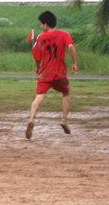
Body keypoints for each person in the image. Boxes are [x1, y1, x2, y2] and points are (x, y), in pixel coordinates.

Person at [26, 10, 78, 140]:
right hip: (60, 73)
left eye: (41, 24)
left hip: (45, 73)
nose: (40, 26)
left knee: (39, 97)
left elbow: (36, 54)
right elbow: (71, 47)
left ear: (46, 24)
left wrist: (38, 66)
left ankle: (31, 119)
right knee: (66, 94)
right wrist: (75, 63)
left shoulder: (41, 37)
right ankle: (64, 120)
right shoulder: (64, 34)